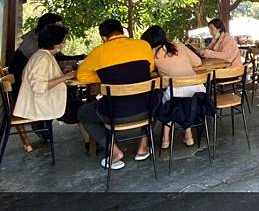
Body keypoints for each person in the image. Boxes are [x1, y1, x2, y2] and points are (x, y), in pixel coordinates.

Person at [77, 19, 155, 170]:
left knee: (83, 112)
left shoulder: (98, 52)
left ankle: (114, 151)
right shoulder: (143, 45)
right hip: (145, 110)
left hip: (114, 114)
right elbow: (150, 68)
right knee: (158, 100)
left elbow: (82, 76)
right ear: (122, 32)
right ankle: (143, 146)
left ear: (103, 38)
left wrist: (104, 76)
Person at [141, 25, 203, 148]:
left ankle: (165, 139)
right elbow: (198, 62)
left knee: (166, 103)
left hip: (175, 93)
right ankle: (188, 135)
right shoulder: (179, 46)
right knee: (181, 100)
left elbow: (148, 70)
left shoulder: (153, 54)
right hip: (197, 90)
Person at [13, 25, 76, 123]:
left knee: (78, 105)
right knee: (82, 111)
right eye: (63, 41)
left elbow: (45, 76)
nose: (64, 43)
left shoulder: (43, 55)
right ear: (55, 42)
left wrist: (63, 73)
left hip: (41, 101)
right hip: (39, 105)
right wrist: (65, 77)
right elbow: (38, 86)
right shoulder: (42, 58)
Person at [9, 13, 83, 92]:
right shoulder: (38, 53)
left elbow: (59, 58)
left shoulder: (45, 50)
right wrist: (69, 72)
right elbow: (38, 86)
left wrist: (80, 58)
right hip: (23, 87)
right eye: (57, 28)